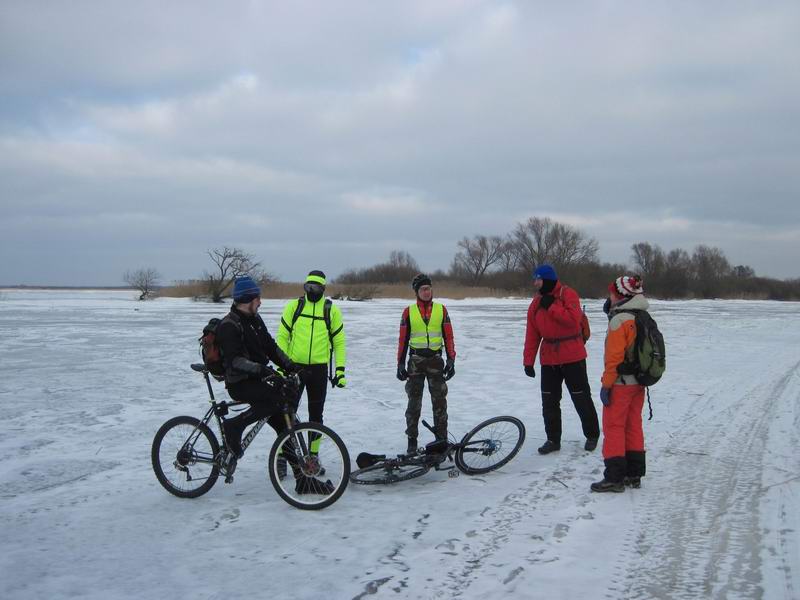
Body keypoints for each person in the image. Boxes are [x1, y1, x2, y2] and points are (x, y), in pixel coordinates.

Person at [216, 275, 334, 494]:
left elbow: (270, 347)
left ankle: (303, 480)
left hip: (257, 379)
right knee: (277, 400)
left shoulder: (255, 320)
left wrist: (291, 366)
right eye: (257, 298)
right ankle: (235, 425)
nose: (260, 302)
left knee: (283, 424)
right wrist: (263, 370)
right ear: (248, 299)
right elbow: (235, 361)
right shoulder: (229, 325)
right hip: (240, 383)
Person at [523, 264, 600, 454]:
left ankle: (592, 435)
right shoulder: (536, 303)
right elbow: (532, 334)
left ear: (547, 279)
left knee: (581, 398)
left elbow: (573, 321)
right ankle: (553, 440)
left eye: (538, 279)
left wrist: (551, 306)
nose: (535, 283)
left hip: (572, 355)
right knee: (549, 402)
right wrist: (528, 361)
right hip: (549, 358)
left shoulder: (568, 294)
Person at [591, 275, 648, 493]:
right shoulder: (641, 316)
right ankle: (634, 474)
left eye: (612, 292)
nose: (609, 296)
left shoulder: (619, 321)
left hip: (621, 384)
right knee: (633, 425)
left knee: (614, 427)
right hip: (639, 384)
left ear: (620, 295)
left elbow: (613, 358)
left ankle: (614, 477)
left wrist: (606, 386)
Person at [276, 270, 346, 444]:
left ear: (323, 288)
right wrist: (281, 366)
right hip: (294, 369)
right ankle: (286, 457)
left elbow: (339, 342)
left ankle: (312, 458)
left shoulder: (331, 310)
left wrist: (340, 371)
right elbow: (282, 337)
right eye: (308, 286)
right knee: (287, 415)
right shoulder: (294, 307)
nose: (311, 291)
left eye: (315, 287)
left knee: (316, 416)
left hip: (318, 371)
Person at [396, 273, 456, 453]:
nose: (427, 292)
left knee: (439, 402)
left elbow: (449, 336)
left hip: (436, 361)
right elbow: (402, 340)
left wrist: (451, 359)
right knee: (414, 403)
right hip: (415, 362)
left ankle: (441, 439)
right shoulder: (408, 312)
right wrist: (400, 363)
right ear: (417, 292)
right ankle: (412, 441)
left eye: (428, 288)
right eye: (423, 289)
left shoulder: (441, 310)